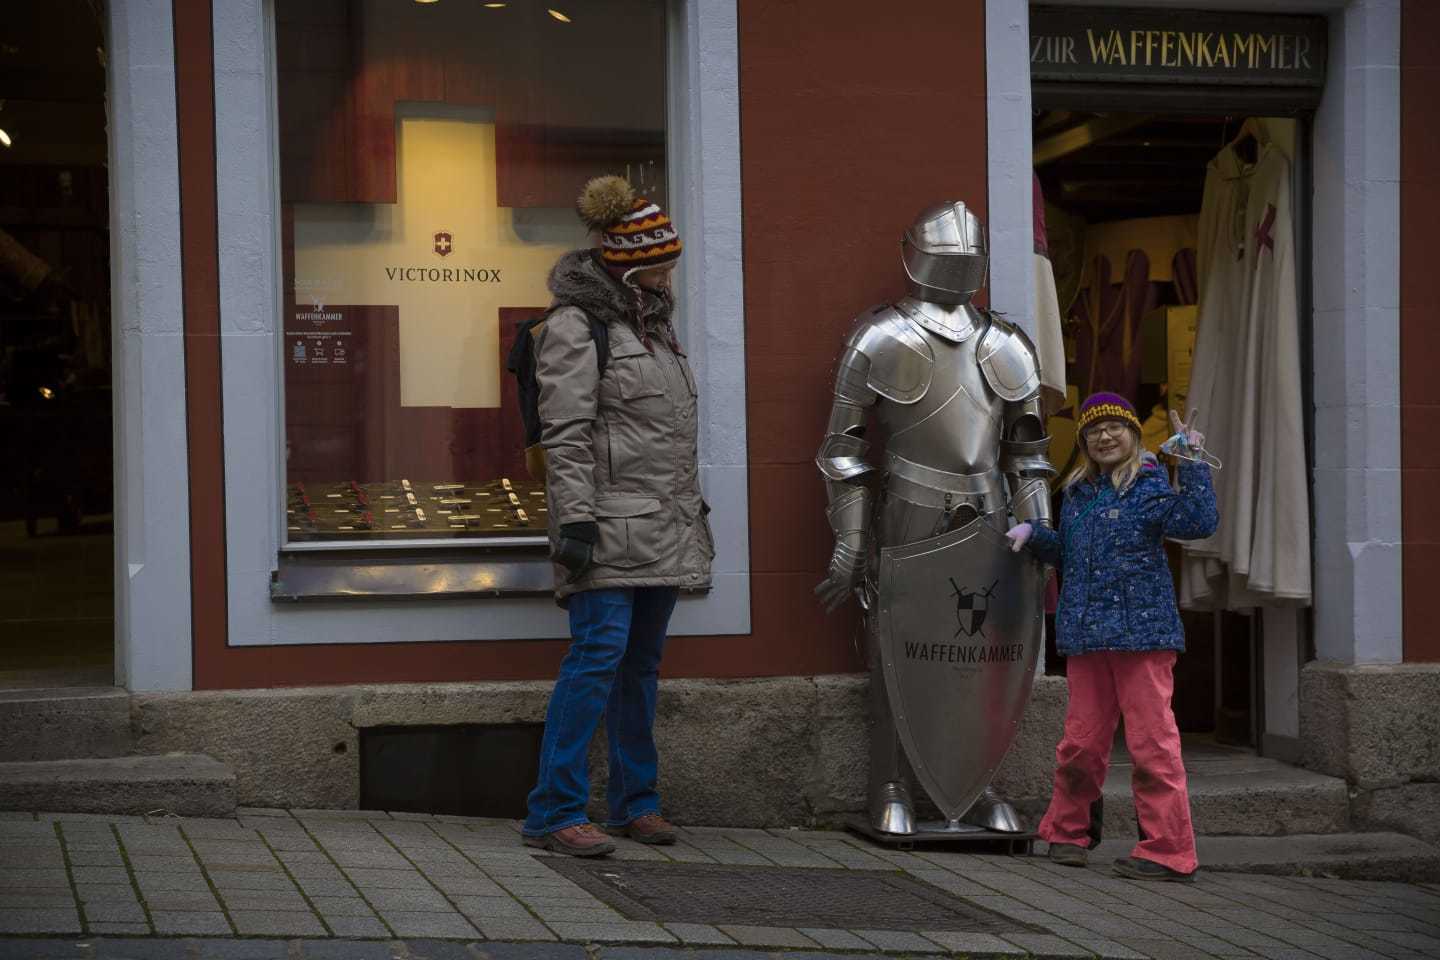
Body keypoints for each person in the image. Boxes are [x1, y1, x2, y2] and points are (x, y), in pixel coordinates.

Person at [814, 201, 1052, 835]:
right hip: (909, 507)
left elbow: (1028, 456)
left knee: (985, 651)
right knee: (899, 643)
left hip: (995, 513)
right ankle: (889, 784)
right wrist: (852, 541)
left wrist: (1046, 539)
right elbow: (843, 449)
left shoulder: (1008, 345)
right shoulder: (880, 337)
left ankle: (977, 782)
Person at [520, 176, 714, 857]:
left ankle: (638, 803)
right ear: (632, 267)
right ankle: (553, 811)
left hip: (660, 527)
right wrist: (574, 523)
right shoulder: (578, 327)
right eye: (662, 265)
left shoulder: (656, 331)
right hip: (603, 528)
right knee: (596, 659)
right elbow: (565, 434)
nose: (670, 276)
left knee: (640, 667)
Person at [1006, 392, 1218, 882]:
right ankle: (1067, 833)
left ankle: (1168, 850)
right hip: (1087, 638)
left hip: (1142, 639)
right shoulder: (1078, 493)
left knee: (1152, 746)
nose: (1104, 436)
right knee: (1079, 744)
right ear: (1083, 443)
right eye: (1093, 431)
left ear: (1133, 435)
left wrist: (1191, 461)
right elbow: (1074, 557)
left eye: (1114, 428)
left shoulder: (1149, 486)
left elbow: (1200, 522)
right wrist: (1036, 537)